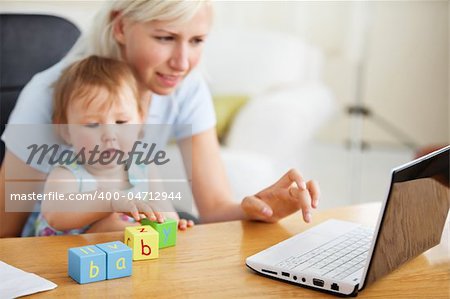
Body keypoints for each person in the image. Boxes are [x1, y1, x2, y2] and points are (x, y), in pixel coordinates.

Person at [1, 0, 320, 238]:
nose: (182, 63)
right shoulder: (47, 94)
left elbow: (213, 209)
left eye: (196, 41)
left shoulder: (186, 86)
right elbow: (6, 233)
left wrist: (263, 209)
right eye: (166, 38)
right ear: (121, 27)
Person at [25, 55, 188, 236]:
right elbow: (55, 214)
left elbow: (163, 209)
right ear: (66, 131)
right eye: (92, 124)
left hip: (126, 259)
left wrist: (174, 224)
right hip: (64, 258)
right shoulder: (66, 173)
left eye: (121, 121)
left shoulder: (143, 167)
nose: (109, 135)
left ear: (141, 120)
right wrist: (110, 199)